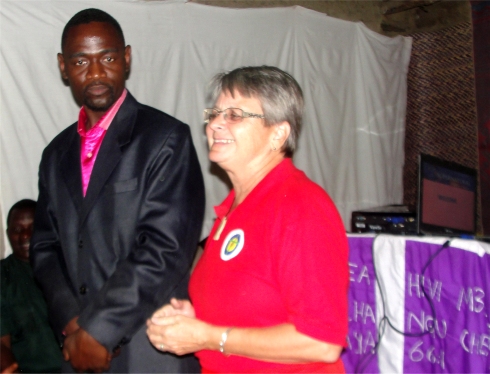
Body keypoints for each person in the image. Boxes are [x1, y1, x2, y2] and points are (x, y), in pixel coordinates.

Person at [30, 8, 205, 373]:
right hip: (78, 351)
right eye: (80, 61)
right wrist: (72, 324)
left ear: (126, 58)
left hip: (150, 350)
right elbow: (45, 247)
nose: (95, 73)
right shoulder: (55, 154)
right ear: (63, 67)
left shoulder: (165, 139)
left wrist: (98, 330)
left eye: (107, 58)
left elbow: (166, 247)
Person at [147, 66, 349, 373]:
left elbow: (320, 342)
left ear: (278, 133)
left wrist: (210, 336)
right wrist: (197, 320)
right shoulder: (233, 210)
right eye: (214, 113)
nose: (215, 124)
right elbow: (255, 309)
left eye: (235, 115)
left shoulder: (301, 207)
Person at [1, 199, 62, 373]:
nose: (26, 235)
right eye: (17, 230)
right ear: (8, 234)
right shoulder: (3, 276)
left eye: (33, 228)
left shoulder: (68, 265)